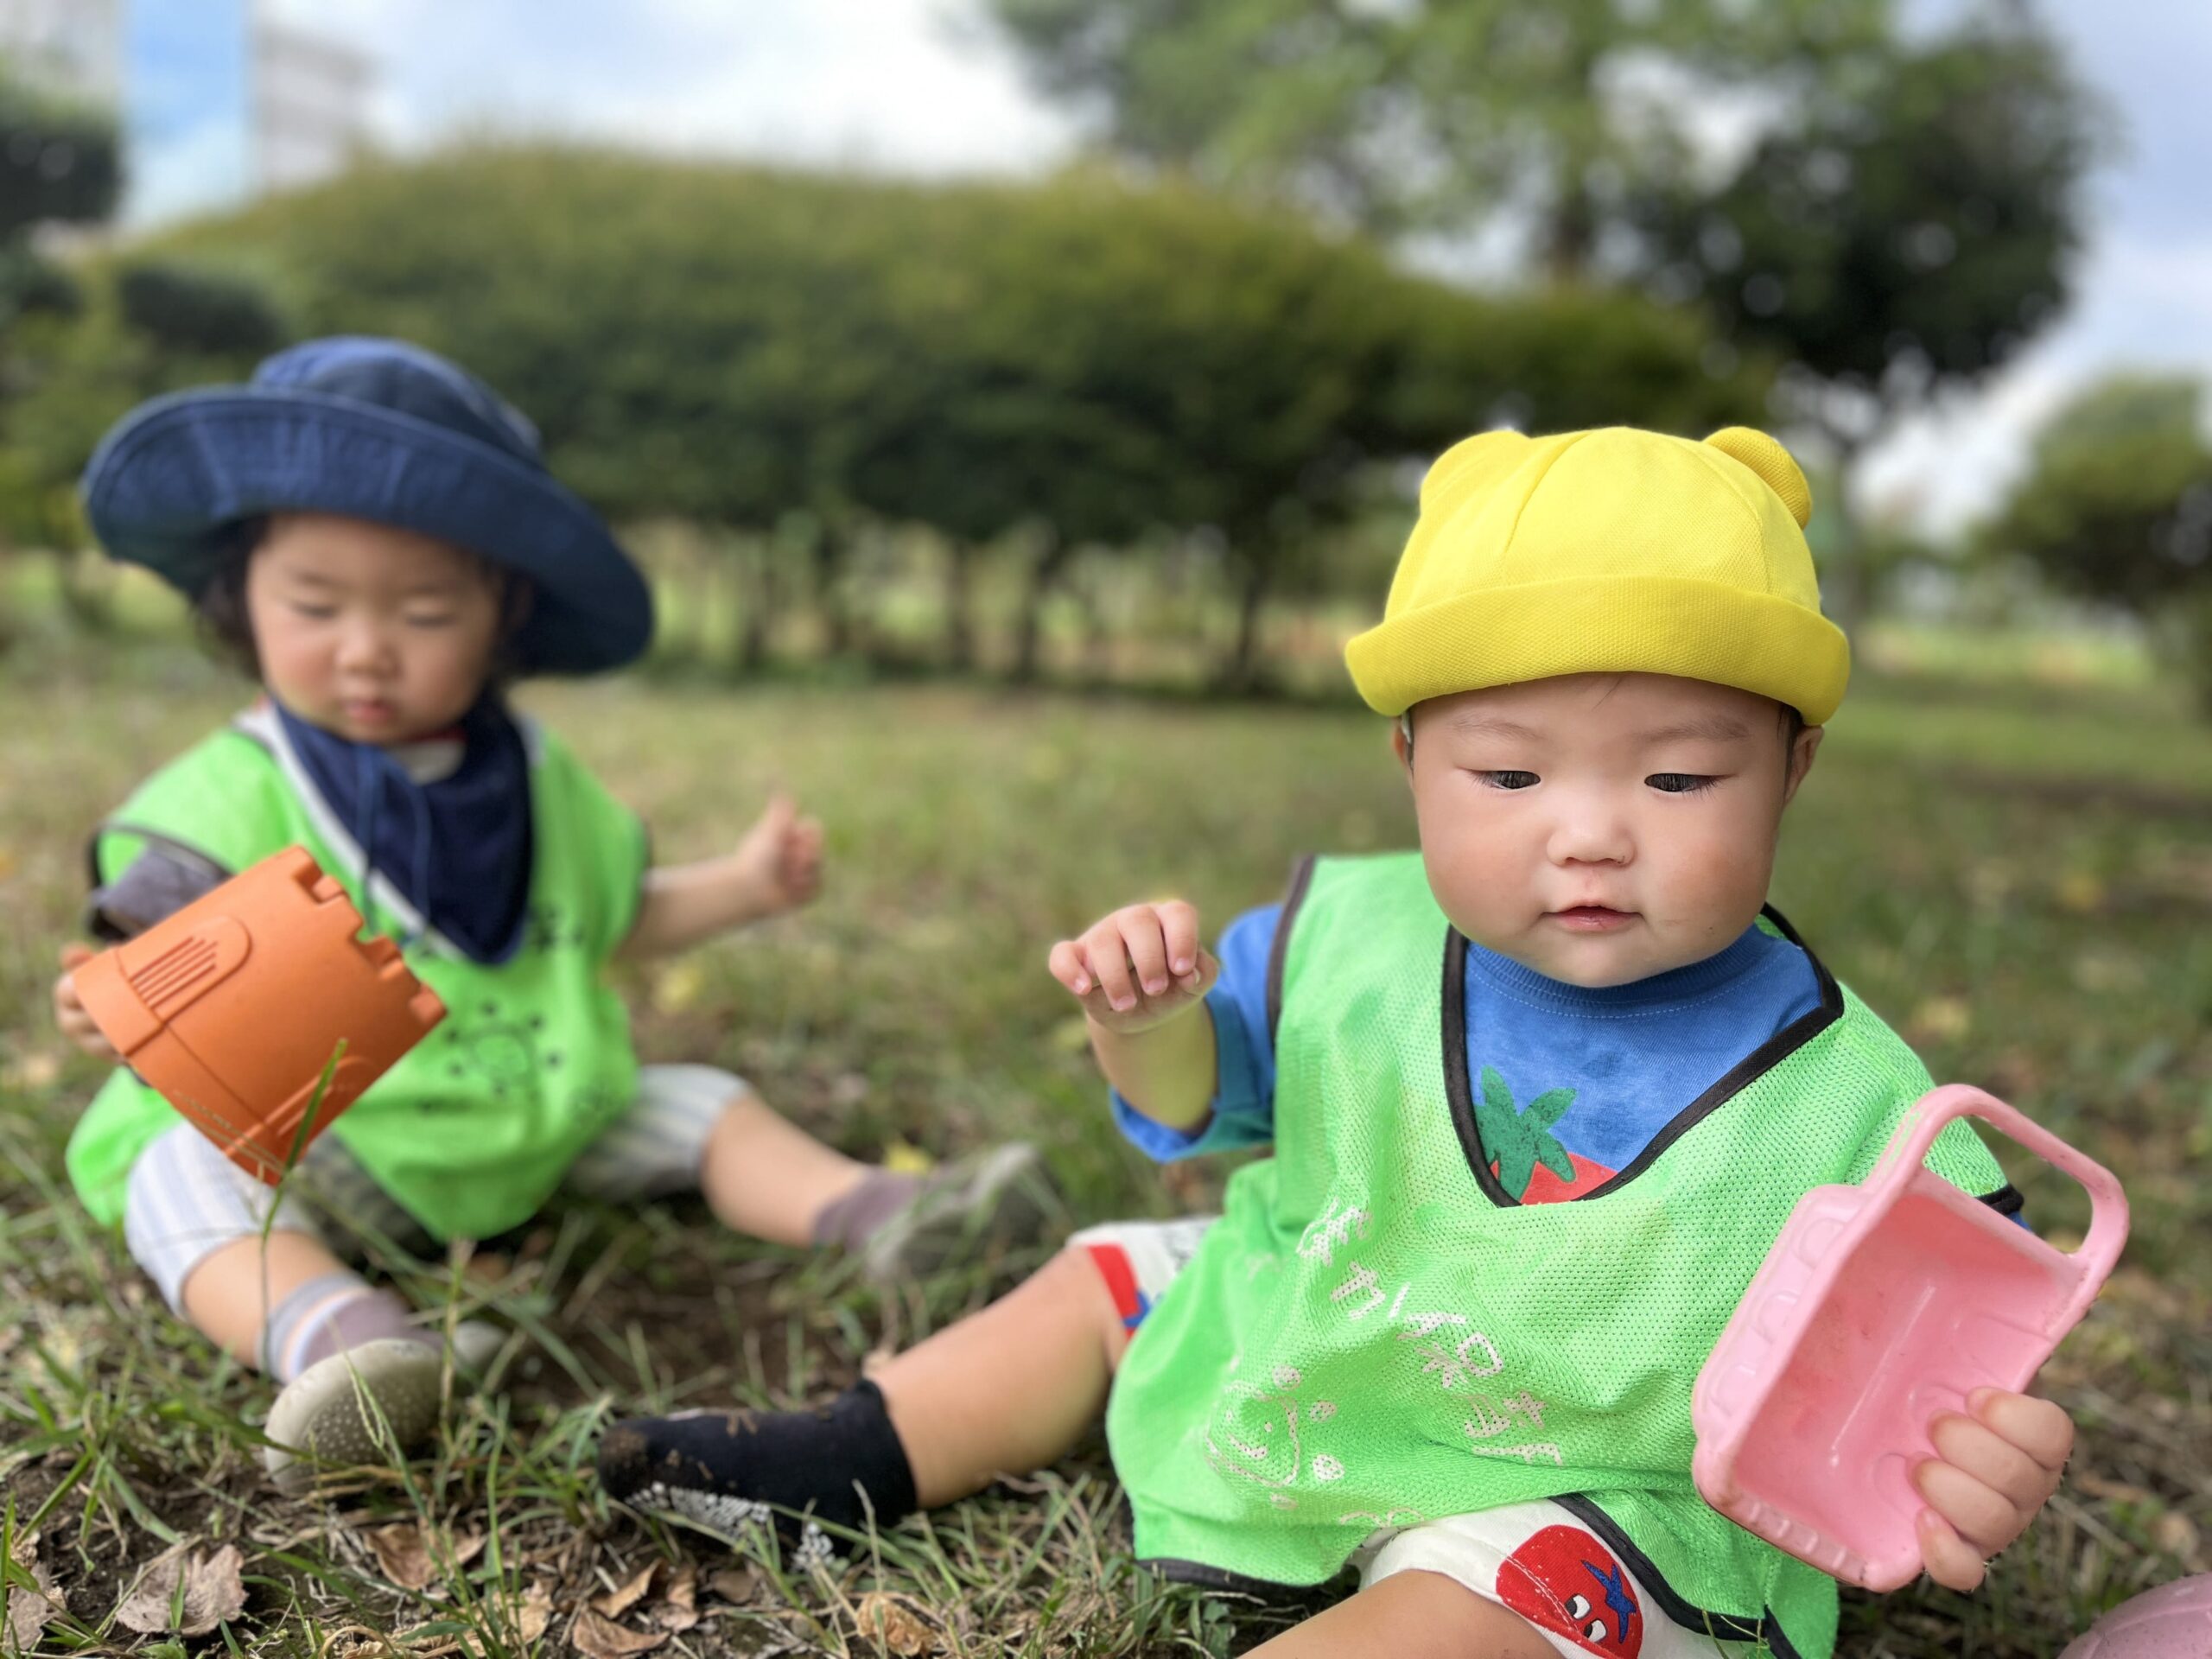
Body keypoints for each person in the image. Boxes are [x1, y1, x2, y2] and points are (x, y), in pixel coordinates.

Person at [596, 425, 2076, 1657]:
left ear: (1794, 771)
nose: (1589, 836)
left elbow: (1937, 1372)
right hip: (1339, 1311)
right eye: (1506, 772)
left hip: (1585, 1480)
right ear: (1411, 764)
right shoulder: (1352, 941)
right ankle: (856, 1453)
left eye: (1681, 778)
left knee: (1500, 1604)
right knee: (1122, 1273)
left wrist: (1967, 1467)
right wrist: (1151, 1027)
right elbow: (1202, 1108)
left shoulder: (1857, 1102)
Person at [52, 337, 1055, 1495]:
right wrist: (109, 1010)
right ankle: (344, 1338)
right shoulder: (230, 790)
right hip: (330, 1135)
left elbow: (608, 919)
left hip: (530, 1101)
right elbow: (147, 963)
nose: (366, 648)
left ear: (501, 619)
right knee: (175, 1171)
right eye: (315, 605)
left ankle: (872, 1209)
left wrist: (742, 885)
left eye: (425, 613)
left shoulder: (538, 775)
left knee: (705, 1106)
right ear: (243, 600)